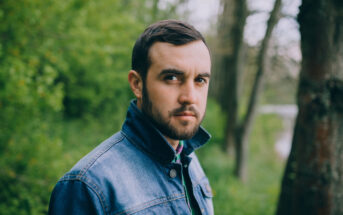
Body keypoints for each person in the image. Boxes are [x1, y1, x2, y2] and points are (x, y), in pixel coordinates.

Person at [48, 19, 213, 215]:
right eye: (172, 78)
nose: (190, 97)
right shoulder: (89, 186)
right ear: (137, 84)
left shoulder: (189, 159)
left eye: (200, 80)